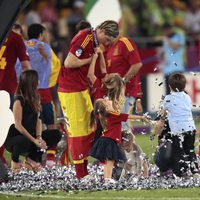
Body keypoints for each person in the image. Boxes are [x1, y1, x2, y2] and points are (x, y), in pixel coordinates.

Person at [58, 20, 123, 179]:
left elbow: (100, 70)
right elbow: (69, 62)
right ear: (101, 32)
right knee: (78, 131)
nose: (107, 43)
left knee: (87, 129)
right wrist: (91, 58)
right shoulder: (85, 37)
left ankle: (85, 171)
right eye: (107, 39)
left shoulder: (94, 42)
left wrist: (97, 54)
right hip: (71, 89)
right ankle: (81, 174)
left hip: (79, 88)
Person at [4, 70, 61, 172]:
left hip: (31, 136)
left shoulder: (36, 97)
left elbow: (39, 119)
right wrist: (34, 140)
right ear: (31, 83)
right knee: (24, 141)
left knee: (56, 135)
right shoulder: (19, 100)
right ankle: (15, 161)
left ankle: (31, 159)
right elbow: (18, 126)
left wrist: (39, 138)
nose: (39, 82)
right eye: (37, 80)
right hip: (15, 138)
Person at [98, 20, 143, 133]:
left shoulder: (125, 43)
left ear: (108, 34)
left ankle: (129, 150)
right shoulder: (110, 47)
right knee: (119, 124)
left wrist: (122, 82)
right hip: (116, 93)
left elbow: (137, 65)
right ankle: (131, 150)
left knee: (122, 125)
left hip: (126, 92)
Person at [90, 98, 149, 182]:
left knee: (108, 162)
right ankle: (108, 179)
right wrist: (141, 117)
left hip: (105, 140)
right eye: (106, 101)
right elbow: (128, 116)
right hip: (110, 141)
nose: (108, 100)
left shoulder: (105, 115)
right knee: (110, 161)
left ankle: (106, 179)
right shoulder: (113, 115)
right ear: (106, 107)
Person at [0, 25, 31, 167]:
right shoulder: (15, 37)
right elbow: (25, 65)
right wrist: (30, 86)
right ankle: (1, 158)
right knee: (3, 124)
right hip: (6, 87)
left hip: (7, 86)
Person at [161, 73, 198, 177]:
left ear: (169, 86)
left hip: (178, 130)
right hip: (190, 128)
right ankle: (194, 171)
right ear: (185, 86)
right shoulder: (187, 97)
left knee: (179, 151)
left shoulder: (168, 98)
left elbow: (163, 112)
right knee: (190, 150)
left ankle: (182, 172)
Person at [161, 22, 185, 94]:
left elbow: (175, 47)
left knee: (178, 92)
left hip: (177, 68)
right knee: (168, 93)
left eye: (166, 30)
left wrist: (167, 40)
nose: (165, 32)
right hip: (167, 70)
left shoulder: (179, 36)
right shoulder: (165, 39)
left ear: (170, 29)